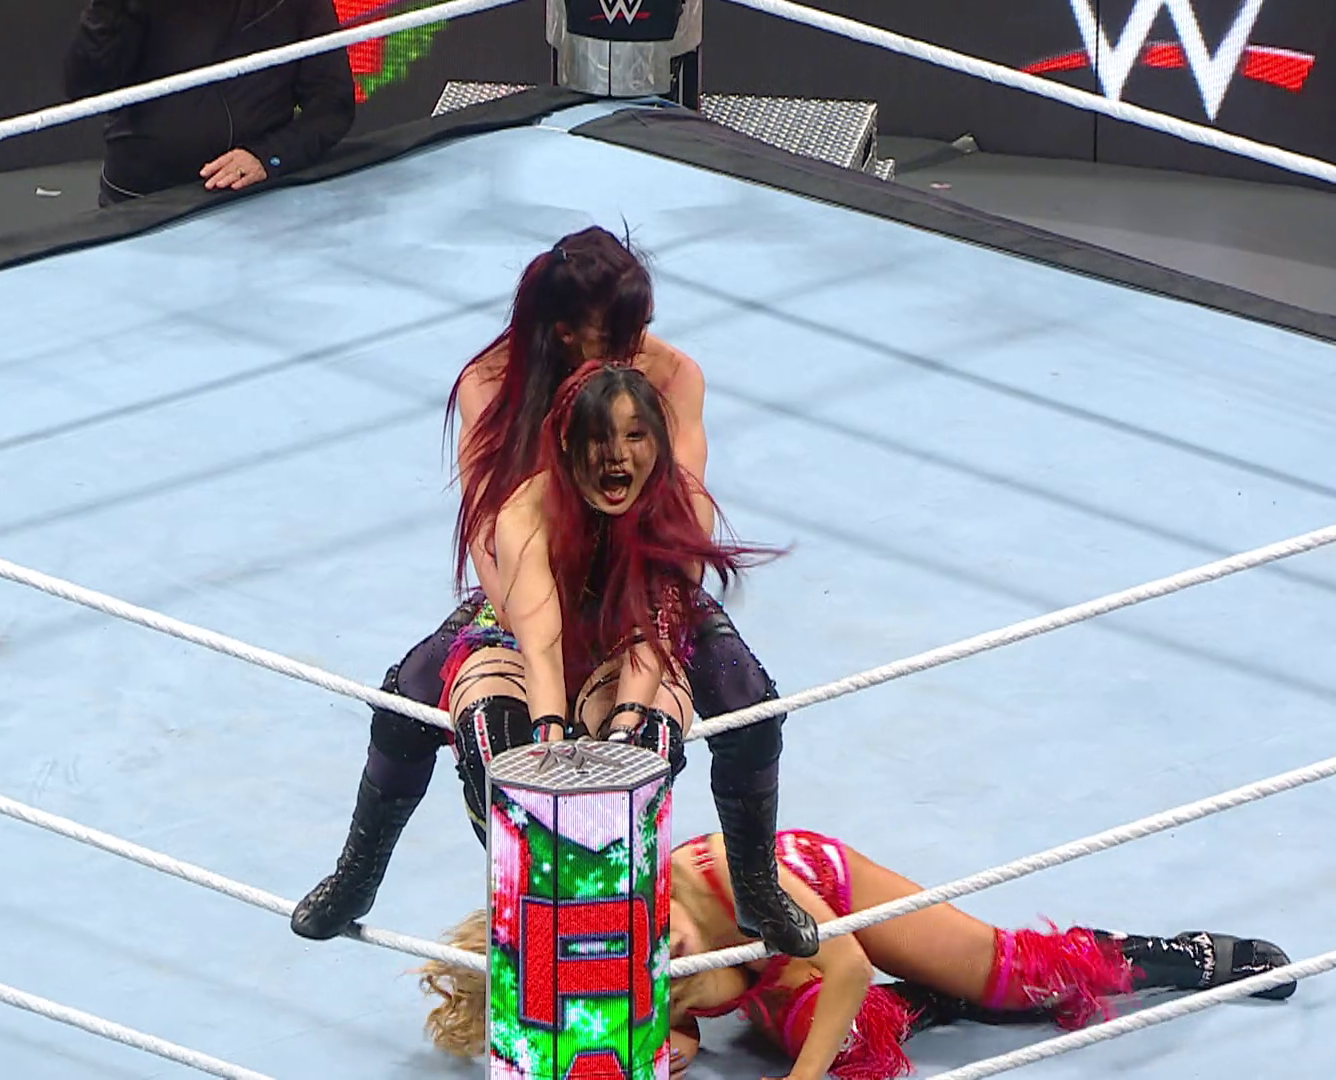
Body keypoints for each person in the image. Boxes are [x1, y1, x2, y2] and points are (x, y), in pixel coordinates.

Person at [291, 228, 820, 959]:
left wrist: (633, 673)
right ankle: (358, 875)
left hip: (640, 574)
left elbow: (679, 532)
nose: (634, 350)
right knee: (405, 703)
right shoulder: (491, 384)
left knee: (750, 705)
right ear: (566, 332)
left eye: (640, 328)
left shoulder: (670, 376)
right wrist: (547, 668)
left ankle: (756, 883)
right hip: (529, 576)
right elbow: (493, 535)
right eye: (616, 334)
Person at [419, 829, 1297, 1080]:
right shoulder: (608, 982)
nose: (664, 952)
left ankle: (1185, 955)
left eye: (661, 936)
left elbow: (842, 963)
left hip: (828, 901)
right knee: (852, 1045)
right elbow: (673, 1037)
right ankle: (928, 1003)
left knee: (1020, 980)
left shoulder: (715, 870)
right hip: (785, 977)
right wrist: (670, 1044)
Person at [64, 0, 357, 206]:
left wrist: (269, 156)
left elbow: (333, 103)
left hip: (251, 201)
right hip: (143, 203)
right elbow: (86, 89)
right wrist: (109, 8)